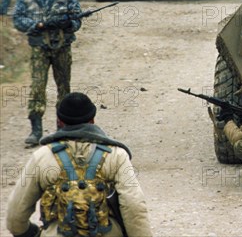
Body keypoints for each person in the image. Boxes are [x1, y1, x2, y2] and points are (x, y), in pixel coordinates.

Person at [6, 92, 153, 236]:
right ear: (93, 120)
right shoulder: (116, 155)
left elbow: (15, 215)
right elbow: (134, 206)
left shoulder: (42, 156)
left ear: (59, 121)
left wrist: (30, 232)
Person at [13, 0, 82, 146]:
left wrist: (70, 25)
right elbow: (18, 19)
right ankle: (36, 130)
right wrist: (39, 24)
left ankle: (64, 128)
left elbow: (77, 18)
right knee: (37, 87)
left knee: (64, 88)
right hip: (39, 48)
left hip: (62, 47)